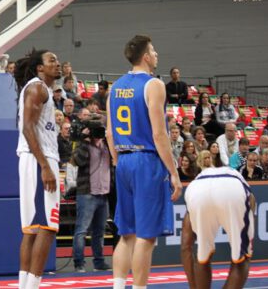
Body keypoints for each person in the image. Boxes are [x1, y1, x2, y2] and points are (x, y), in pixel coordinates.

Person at [106, 35, 181, 289]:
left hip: (124, 160)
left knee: (127, 235)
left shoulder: (115, 87)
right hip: (146, 160)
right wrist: (174, 172)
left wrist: (118, 161)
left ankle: (118, 286)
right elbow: (159, 135)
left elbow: (108, 133)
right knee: (146, 237)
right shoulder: (153, 85)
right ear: (146, 57)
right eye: (154, 50)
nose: (157, 54)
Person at [13, 49, 61, 289]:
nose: (57, 63)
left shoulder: (42, 90)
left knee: (32, 229)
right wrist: (45, 166)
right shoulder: (38, 88)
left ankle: (25, 286)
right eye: (51, 60)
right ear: (39, 67)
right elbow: (28, 128)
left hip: (32, 158)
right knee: (46, 228)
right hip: (39, 159)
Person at [181, 167, 255, 289]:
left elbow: (185, 246)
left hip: (197, 189)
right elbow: (250, 204)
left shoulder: (199, 179)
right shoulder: (240, 182)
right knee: (242, 257)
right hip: (232, 188)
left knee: (202, 256)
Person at [71, 123, 112, 273]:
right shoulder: (84, 145)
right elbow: (77, 161)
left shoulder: (107, 145)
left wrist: (109, 137)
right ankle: (79, 263)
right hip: (87, 193)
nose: (98, 133)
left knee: (99, 231)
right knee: (81, 230)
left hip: (104, 193)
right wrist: (84, 140)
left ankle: (99, 262)